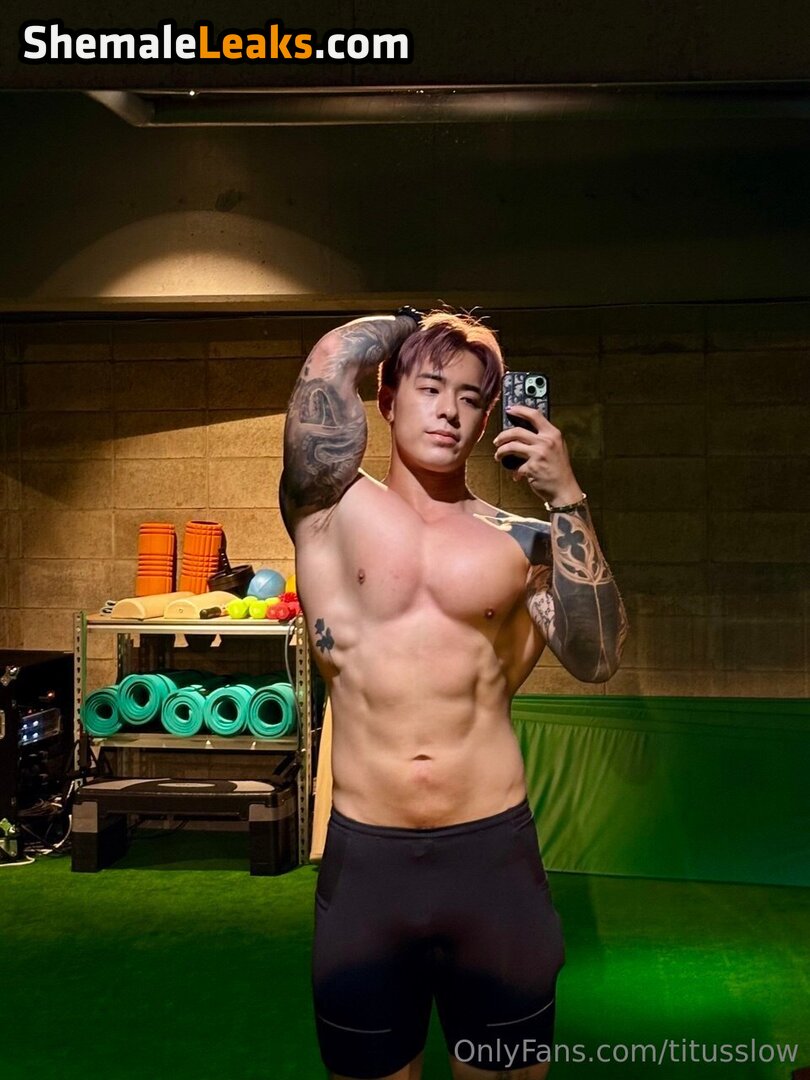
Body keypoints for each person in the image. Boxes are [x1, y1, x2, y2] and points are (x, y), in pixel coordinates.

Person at [280, 309, 628, 1080]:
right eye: (430, 387)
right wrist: (422, 324)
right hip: (368, 867)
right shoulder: (328, 509)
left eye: (472, 398)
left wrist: (567, 499)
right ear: (386, 399)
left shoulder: (524, 541)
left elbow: (599, 656)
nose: (449, 411)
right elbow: (330, 357)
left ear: (488, 417)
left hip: (492, 862)